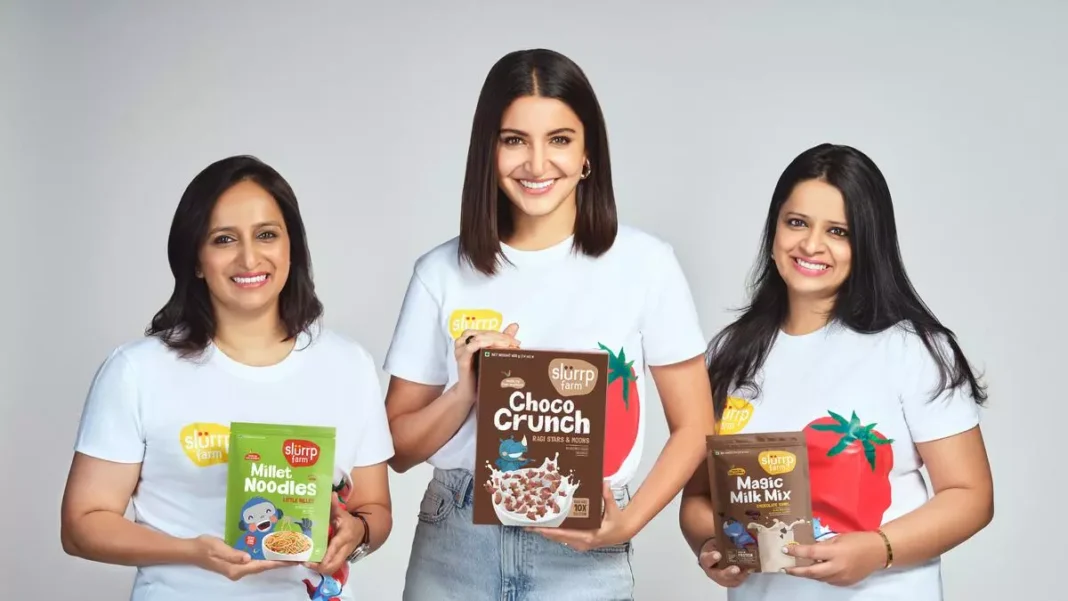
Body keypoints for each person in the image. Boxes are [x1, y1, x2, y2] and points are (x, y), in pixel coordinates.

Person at [381, 48, 717, 600]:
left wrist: (627, 524)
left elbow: (694, 424)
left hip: (585, 541)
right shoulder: (440, 272)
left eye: (559, 139)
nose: (537, 164)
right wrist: (465, 390)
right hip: (456, 538)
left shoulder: (645, 264)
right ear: (487, 151)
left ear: (588, 153)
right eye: (515, 140)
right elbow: (396, 448)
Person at [60, 155, 395, 601]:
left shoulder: (349, 365)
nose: (250, 257)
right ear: (196, 259)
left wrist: (358, 532)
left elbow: (375, 509)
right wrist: (191, 552)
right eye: (223, 239)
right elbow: (82, 524)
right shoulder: (137, 371)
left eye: (267, 235)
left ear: (290, 246)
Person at [679, 143, 994, 600]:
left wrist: (878, 549)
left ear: (867, 245)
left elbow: (971, 495)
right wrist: (711, 545)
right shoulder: (730, 351)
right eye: (797, 222)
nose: (811, 244)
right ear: (774, 230)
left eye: (839, 231)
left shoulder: (912, 349)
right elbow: (698, 499)